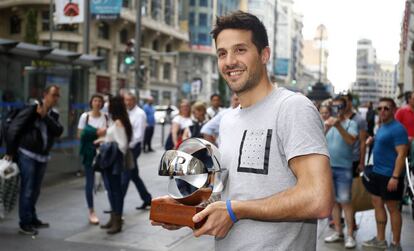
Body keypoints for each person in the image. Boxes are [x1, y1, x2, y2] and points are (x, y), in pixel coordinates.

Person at [152, 11, 334, 250]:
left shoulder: (292, 108)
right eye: (222, 53)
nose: (229, 62)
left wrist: (235, 210)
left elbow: (318, 198)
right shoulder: (228, 120)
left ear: (264, 54)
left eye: (240, 50)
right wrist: (188, 209)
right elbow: (233, 194)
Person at [5, 85, 63, 235]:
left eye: (58, 96)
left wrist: (45, 116)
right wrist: (10, 152)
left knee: (36, 190)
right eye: (54, 95)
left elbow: (58, 131)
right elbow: (13, 128)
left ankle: (32, 218)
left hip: (42, 156)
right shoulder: (32, 108)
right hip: (27, 154)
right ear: (45, 95)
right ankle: (25, 223)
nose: (56, 98)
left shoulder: (53, 114)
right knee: (28, 189)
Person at [362, 97, 408, 251]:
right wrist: (373, 140)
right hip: (377, 173)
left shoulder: (398, 129)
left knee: (393, 209)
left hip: (390, 176)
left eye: (386, 108)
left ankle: (396, 244)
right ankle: (381, 240)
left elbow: (402, 154)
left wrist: (395, 177)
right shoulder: (382, 126)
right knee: (378, 205)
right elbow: (386, 143)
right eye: (379, 108)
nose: (382, 111)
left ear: (394, 110)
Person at [323, 96, 358, 248]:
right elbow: (318, 140)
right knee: (334, 203)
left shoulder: (351, 123)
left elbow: (351, 141)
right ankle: (338, 232)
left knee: (345, 202)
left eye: (340, 106)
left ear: (345, 108)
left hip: (344, 168)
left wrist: (338, 126)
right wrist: (328, 127)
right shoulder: (328, 123)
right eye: (334, 107)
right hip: (328, 167)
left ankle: (350, 235)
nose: (337, 110)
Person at [95, 96, 132, 234]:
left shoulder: (118, 123)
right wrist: (103, 139)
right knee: (111, 191)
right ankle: (113, 219)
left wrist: (105, 144)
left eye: (109, 104)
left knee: (115, 192)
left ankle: (117, 222)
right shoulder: (116, 121)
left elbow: (122, 145)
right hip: (110, 161)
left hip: (113, 162)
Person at [77, 94, 108, 225]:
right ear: (91, 102)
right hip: (89, 152)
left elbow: (108, 133)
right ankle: (91, 211)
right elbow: (80, 135)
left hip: (103, 152)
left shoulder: (105, 117)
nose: (97, 103)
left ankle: (115, 211)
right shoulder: (85, 116)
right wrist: (96, 132)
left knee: (107, 181)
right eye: (95, 100)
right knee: (89, 182)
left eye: (100, 101)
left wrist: (101, 135)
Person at [122, 92, 152, 210]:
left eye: (130, 100)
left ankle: (117, 205)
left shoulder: (140, 114)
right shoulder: (126, 112)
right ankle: (147, 199)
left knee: (125, 176)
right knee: (134, 176)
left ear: (134, 101)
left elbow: (138, 136)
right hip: (126, 147)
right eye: (126, 100)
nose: (127, 102)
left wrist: (126, 147)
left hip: (132, 148)